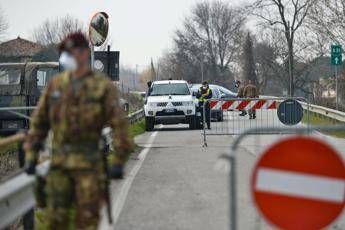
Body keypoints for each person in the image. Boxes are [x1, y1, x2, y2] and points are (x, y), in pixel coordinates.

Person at [24, 32, 133, 229]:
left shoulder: (101, 87)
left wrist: (118, 161)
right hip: (60, 167)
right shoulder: (55, 86)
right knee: (55, 222)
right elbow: (39, 123)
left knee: (86, 222)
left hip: (90, 169)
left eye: (69, 52)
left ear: (83, 54)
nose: (65, 57)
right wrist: (31, 155)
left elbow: (120, 126)